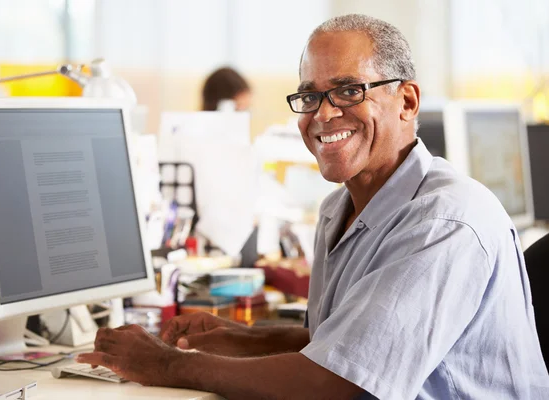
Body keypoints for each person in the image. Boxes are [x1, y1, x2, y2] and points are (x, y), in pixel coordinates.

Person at [76, 14, 549, 399]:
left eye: (348, 90)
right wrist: (240, 337)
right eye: (309, 96)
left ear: (407, 101)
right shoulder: (337, 209)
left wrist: (166, 364)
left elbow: (335, 384)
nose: (322, 114)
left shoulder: (444, 222)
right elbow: (348, 344)